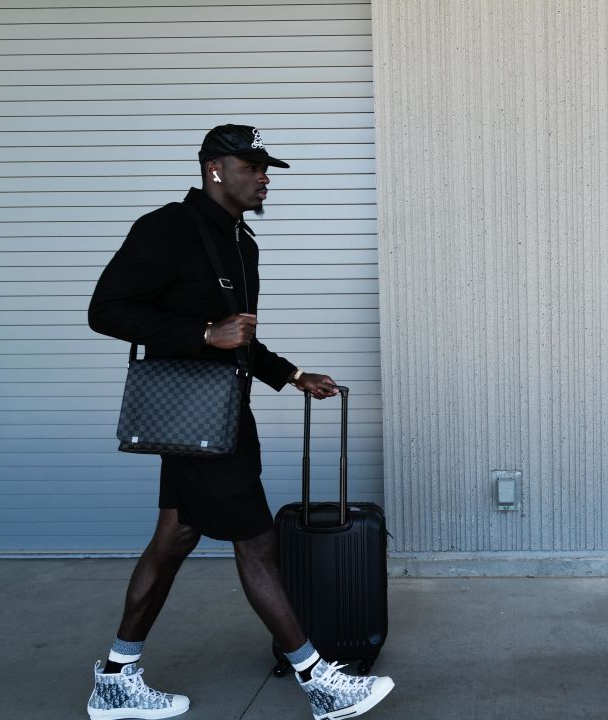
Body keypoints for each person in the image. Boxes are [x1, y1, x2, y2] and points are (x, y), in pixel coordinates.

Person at [83, 124, 395, 720]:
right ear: (214, 169)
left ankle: (118, 677)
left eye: (266, 167)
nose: (264, 176)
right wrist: (201, 334)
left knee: (174, 536)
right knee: (257, 542)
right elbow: (107, 310)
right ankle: (320, 680)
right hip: (197, 417)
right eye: (252, 166)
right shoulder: (167, 228)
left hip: (220, 413)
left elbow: (240, 338)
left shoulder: (240, 243)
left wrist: (290, 373)